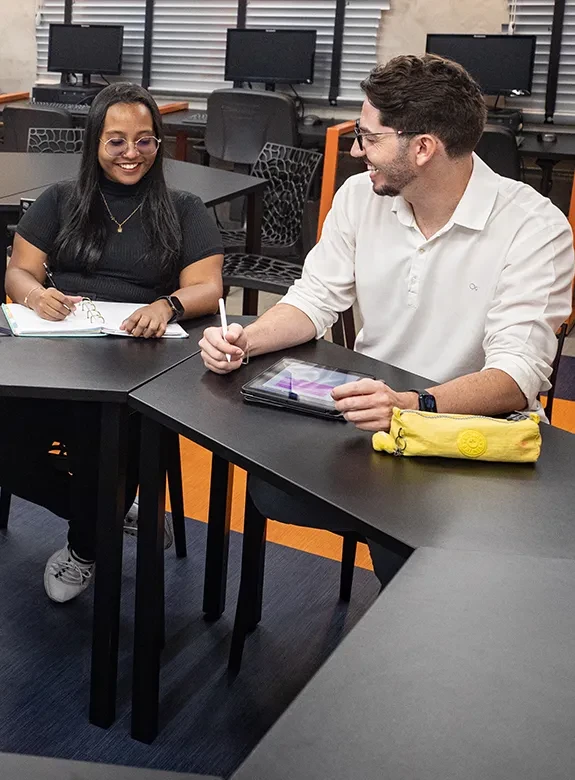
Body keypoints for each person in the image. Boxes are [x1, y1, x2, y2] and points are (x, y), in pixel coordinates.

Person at [199, 54, 575, 586]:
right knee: (272, 489)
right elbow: (315, 298)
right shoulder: (360, 198)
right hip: (371, 425)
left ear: (422, 148)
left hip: (466, 440)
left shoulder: (534, 227)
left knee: (413, 548)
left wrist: (412, 404)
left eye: (369, 137)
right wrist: (246, 340)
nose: (356, 150)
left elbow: (517, 377)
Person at [3, 82, 224, 603]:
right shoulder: (60, 199)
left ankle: (87, 546)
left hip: (137, 358)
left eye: (145, 140)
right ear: (95, 143)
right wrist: (36, 296)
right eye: (117, 141)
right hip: (55, 351)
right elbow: (18, 272)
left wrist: (167, 305)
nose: (132, 153)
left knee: (102, 436)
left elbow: (208, 287)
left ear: (158, 143)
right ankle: (107, 511)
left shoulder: (184, 208)